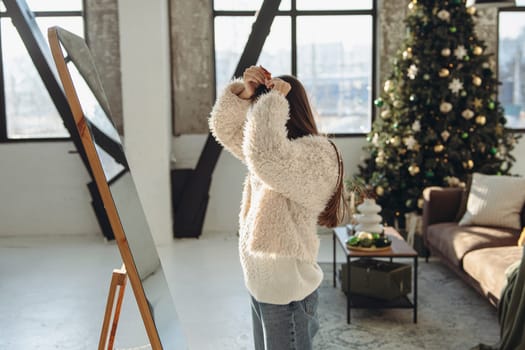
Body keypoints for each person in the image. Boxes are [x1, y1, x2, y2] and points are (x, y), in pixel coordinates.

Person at [209, 65, 346, 350]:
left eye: (264, 106)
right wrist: (245, 94)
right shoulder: (278, 153)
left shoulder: (318, 155)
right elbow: (224, 128)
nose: (258, 113)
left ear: (285, 108)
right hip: (262, 287)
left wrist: (274, 98)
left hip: (289, 296)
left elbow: (265, 156)